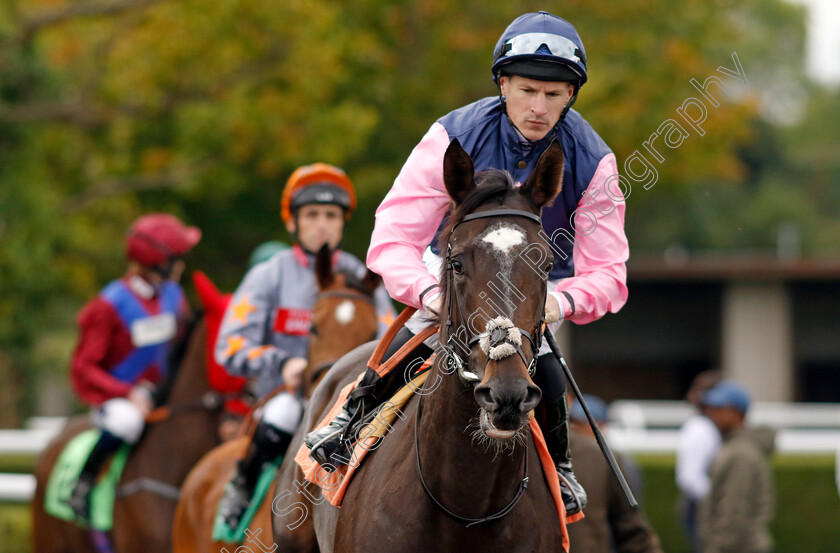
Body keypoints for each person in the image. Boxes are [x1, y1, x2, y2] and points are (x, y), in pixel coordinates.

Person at [304, 11, 629, 516]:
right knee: (420, 344)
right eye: (526, 90)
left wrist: (556, 303)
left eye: (553, 94)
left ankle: (560, 471)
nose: (538, 108)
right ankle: (347, 422)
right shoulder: (451, 136)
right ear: (502, 83)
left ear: (572, 95)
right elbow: (391, 239)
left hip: (533, 291)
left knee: (544, 370)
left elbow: (609, 274)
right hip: (456, 278)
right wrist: (432, 295)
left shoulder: (595, 161)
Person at [215, 163, 395, 529]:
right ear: (292, 222)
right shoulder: (270, 274)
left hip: (351, 403)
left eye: (331, 215)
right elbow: (229, 345)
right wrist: (282, 363)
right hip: (289, 396)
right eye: (311, 215)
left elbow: (389, 340)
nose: (322, 224)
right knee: (281, 416)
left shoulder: (364, 277)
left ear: (343, 223)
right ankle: (241, 489)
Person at [65, 213, 201, 521]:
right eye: (176, 258)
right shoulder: (109, 304)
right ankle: (82, 484)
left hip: (160, 394)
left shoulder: (174, 296)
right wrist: (127, 393)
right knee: (128, 422)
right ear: (158, 262)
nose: (181, 265)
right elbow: (84, 367)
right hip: (117, 400)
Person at [567, 395, 663, 553]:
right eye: (575, 423)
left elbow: (631, 525)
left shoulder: (609, 459)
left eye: (585, 423)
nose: (578, 428)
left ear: (601, 425)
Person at [698, 381, 776, 553]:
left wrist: (715, 548)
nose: (711, 413)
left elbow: (733, 513)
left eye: (719, 407)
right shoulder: (735, 447)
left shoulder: (740, 453)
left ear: (737, 413)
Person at [675, 370, 723, 552]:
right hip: (699, 506)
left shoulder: (707, 426)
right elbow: (689, 477)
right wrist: (717, 499)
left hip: (701, 504)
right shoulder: (700, 428)